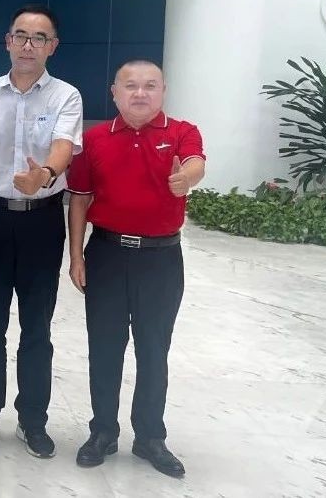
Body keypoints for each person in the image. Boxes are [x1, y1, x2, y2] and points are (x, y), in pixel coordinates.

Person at [67, 59, 206, 478]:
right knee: (104, 348)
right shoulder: (94, 139)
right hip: (107, 254)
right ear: (114, 93)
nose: (140, 93)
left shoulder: (181, 131)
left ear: (163, 91)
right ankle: (102, 432)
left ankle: (149, 437)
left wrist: (186, 179)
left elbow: (195, 162)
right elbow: (79, 199)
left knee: (153, 350)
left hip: (161, 260)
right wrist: (76, 256)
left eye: (150, 85)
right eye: (130, 86)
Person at [0, 4, 83, 458]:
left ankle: (33, 421)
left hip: (41, 221)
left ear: (53, 47)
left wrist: (44, 175)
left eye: (39, 38)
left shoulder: (66, 96)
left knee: (36, 328)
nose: (29, 45)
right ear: (8, 42)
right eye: (21, 36)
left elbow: (64, 147)